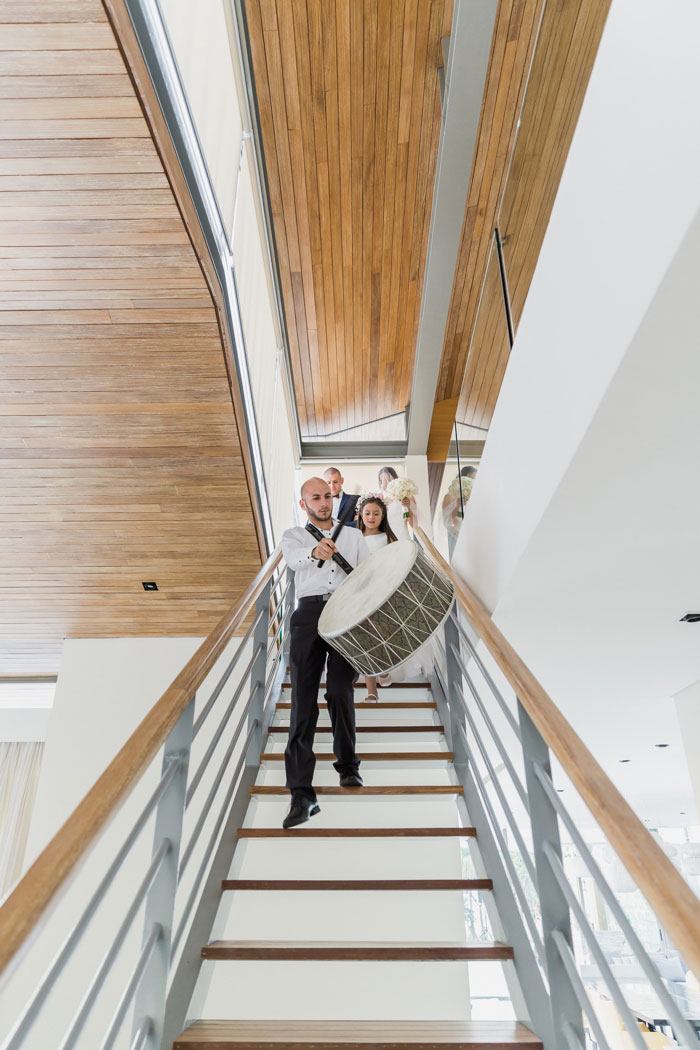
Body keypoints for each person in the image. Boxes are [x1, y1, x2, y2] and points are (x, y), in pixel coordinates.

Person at [280, 476, 370, 828]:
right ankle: (302, 795)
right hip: (308, 615)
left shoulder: (354, 535)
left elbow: (365, 576)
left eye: (327, 496)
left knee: (339, 690)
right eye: (315, 498)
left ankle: (348, 765)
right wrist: (314, 552)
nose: (323, 502)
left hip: (347, 612)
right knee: (303, 701)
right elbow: (293, 560)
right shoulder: (294, 535)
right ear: (304, 504)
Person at [356, 495, 398, 702]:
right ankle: (372, 691)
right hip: (359, 593)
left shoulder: (388, 539)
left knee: (381, 635)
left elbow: (394, 564)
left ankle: (384, 667)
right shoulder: (354, 538)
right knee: (364, 638)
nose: (371, 517)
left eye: (376, 513)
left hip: (382, 592)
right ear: (360, 515)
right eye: (367, 513)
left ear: (383, 516)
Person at [378, 465, 417, 541]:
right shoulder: (382, 501)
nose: (384, 484)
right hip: (387, 541)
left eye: (387, 479)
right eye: (381, 480)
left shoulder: (405, 497)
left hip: (402, 538)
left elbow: (413, 524)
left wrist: (407, 506)